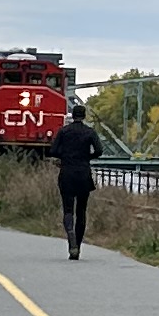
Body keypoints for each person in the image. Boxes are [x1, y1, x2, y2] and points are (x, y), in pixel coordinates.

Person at [46, 106, 101, 258]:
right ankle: (78, 246)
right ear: (84, 116)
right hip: (83, 174)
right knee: (81, 211)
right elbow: (99, 150)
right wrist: (86, 157)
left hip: (67, 173)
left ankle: (71, 239)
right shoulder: (90, 132)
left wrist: (65, 156)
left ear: (73, 115)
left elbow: (53, 150)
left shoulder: (64, 131)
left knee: (68, 209)